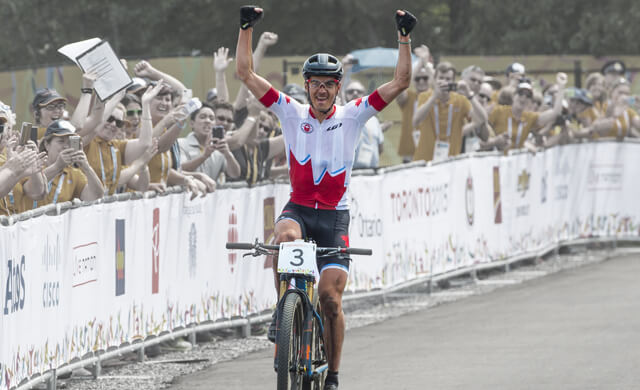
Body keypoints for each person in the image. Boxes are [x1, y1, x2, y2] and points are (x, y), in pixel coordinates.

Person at [235, 6, 416, 389]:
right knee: (283, 239)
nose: (321, 89)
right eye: (315, 82)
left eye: (328, 83)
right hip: (298, 209)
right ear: (306, 85)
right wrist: (246, 28)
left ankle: (332, 374)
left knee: (331, 300)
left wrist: (404, 37)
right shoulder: (289, 111)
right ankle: (283, 307)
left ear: (338, 87)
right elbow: (244, 74)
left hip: (335, 218)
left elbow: (401, 82)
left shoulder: (353, 115)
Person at [11, 120, 104, 212]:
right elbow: (30, 190)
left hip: (54, 226)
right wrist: (57, 166)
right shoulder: (31, 164)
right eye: (61, 141)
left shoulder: (74, 173)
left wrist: (86, 167)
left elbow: (95, 197)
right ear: (47, 145)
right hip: (26, 225)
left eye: (70, 143)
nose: (66, 146)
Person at [412, 61, 488, 162]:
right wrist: (434, 96)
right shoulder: (425, 96)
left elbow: (482, 119)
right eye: (441, 78)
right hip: (425, 161)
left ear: (453, 81)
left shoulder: (460, 100)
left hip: (450, 161)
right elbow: (415, 121)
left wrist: (469, 95)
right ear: (435, 79)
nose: (444, 82)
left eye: (448, 79)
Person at [483, 75, 567, 151]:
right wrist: (495, 141)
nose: (524, 97)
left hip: (516, 163)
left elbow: (555, 113)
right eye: (520, 93)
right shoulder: (499, 111)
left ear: (530, 101)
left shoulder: (529, 117)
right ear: (514, 96)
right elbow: (481, 132)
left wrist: (561, 87)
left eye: (528, 96)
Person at [178, 103, 241, 182]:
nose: (207, 121)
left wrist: (228, 154)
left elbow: (235, 174)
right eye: (202, 117)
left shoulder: (218, 148)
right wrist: (205, 156)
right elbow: (179, 169)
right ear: (192, 123)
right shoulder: (181, 144)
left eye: (211, 118)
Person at [396, 44, 432, 163]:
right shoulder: (409, 97)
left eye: (425, 78)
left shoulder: (435, 96)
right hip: (410, 155)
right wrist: (420, 62)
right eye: (417, 78)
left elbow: (436, 83)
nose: (421, 81)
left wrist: (425, 63)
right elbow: (400, 88)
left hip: (430, 153)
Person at [345, 81, 384, 169]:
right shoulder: (340, 117)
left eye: (359, 92)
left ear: (365, 95)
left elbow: (380, 148)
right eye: (351, 91)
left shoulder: (374, 120)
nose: (355, 93)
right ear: (345, 95)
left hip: (372, 173)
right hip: (349, 174)